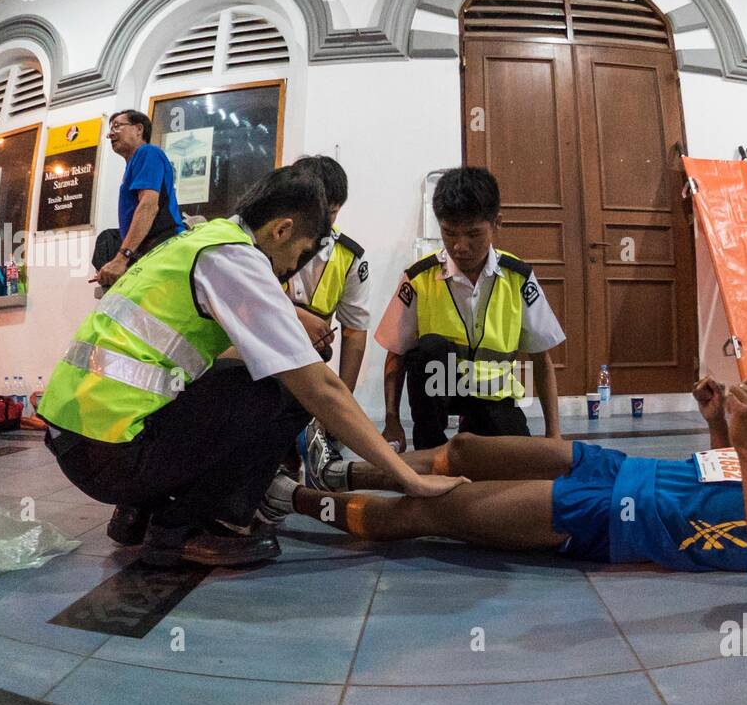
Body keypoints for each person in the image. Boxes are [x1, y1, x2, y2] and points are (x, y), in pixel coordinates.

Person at [37, 166, 465, 568]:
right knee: (284, 390)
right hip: (111, 454)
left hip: (80, 438)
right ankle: (192, 526)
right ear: (282, 229)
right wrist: (409, 478)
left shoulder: (200, 242)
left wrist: (292, 319)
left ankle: (139, 512)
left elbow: (200, 356)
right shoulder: (236, 257)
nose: (287, 271)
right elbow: (321, 388)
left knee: (236, 378)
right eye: (294, 256)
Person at [271, 377, 747, 609]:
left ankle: (288, 498)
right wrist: (720, 425)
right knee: (472, 449)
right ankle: (341, 468)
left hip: (619, 516)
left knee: (436, 509)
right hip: (621, 466)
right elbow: (731, 488)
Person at [375, 167, 565, 453]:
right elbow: (395, 353)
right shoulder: (419, 278)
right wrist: (392, 420)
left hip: (494, 396)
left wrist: (554, 437)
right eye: (449, 233)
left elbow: (541, 358)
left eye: (473, 234)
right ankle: (431, 447)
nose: (460, 247)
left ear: (496, 223)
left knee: (515, 467)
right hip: (440, 392)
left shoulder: (518, 277)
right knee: (428, 348)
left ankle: (478, 426)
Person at [282, 155, 373, 484]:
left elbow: (354, 333)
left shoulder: (349, 258)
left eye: (330, 212)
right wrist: (294, 316)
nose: (320, 220)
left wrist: (339, 406)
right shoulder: (261, 239)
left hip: (309, 358)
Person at [94, 109, 186, 289]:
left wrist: (121, 258)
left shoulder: (147, 153)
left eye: (117, 126)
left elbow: (148, 206)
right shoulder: (134, 164)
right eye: (110, 129)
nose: (110, 134)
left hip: (163, 248)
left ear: (138, 129)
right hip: (150, 252)